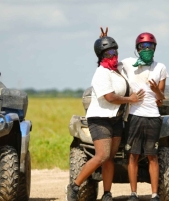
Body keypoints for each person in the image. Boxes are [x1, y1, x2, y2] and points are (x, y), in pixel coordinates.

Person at [66, 28, 145, 201]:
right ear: (101, 56)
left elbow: (132, 65)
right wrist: (130, 100)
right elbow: (110, 97)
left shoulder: (119, 68)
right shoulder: (101, 73)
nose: (113, 55)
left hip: (116, 119)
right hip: (100, 119)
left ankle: (107, 193)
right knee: (101, 155)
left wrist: (104, 40)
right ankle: (74, 186)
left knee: (109, 157)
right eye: (108, 52)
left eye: (114, 51)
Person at [120, 32, 169, 201]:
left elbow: (161, 97)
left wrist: (156, 90)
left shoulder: (160, 67)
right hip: (134, 115)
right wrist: (103, 41)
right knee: (132, 155)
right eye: (143, 47)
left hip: (153, 116)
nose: (146, 49)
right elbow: (107, 63)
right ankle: (133, 193)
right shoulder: (128, 64)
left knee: (152, 156)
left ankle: (155, 194)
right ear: (137, 49)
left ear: (154, 48)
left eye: (150, 46)